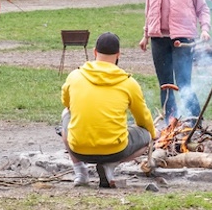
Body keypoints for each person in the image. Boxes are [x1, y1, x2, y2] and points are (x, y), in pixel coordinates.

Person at [61, 32, 156, 188]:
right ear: (118, 54)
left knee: (66, 113)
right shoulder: (129, 82)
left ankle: (80, 172)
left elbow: (66, 103)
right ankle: (110, 166)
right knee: (147, 135)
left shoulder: (75, 76)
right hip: (115, 150)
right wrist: (153, 135)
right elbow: (142, 117)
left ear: (94, 52)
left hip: (78, 149)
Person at [139, 0, 211, 122]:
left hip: (182, 37)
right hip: (158, 37)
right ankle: (170, 122)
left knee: (183, 82)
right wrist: (145, 34)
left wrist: (205, 28)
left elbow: (202, 6)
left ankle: (196, 120)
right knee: (166, 84)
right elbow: (149, 5)